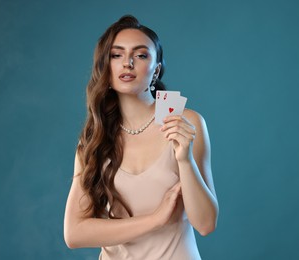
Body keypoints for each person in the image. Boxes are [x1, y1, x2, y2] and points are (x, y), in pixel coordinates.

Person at [64, 15, 219, 260]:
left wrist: (185, 160)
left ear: (156, 69)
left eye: (141, 55)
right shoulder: (95, 140)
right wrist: (155, 220)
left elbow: (206, 224)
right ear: (106, 67)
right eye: (116, 55)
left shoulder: (184, 121)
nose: (128, 63)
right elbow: (74, 233)